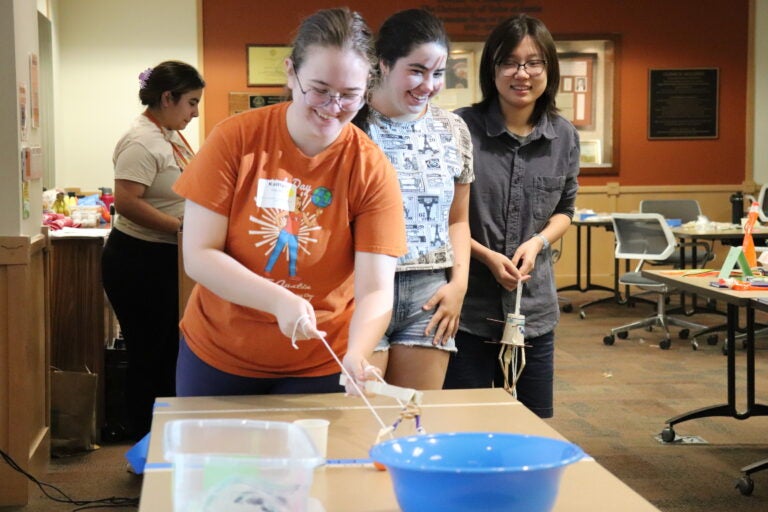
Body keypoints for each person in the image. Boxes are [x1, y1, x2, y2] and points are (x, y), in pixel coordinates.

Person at [172, 7, 407, 397]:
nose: (333, 107)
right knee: (218, 460)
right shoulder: (235, 140)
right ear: (289, 72)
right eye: (319, 90)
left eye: (350, 95)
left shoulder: (370, 166)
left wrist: (358, 353)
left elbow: (376, 288)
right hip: (220, 352)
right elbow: (199, 254)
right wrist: (279, 300)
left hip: (320, 359)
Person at [442, 14, 580, 419]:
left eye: (534, 62)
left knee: (533, 426)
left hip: (532, 311)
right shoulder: (459, 128)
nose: (522, 73)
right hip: (467, 310)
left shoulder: (563, 135)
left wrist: (538, 243)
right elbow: (442, 219)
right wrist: (486, 255)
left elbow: (565, 210)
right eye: (510, 62)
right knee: (462, 423)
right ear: (493, 69)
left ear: (548, 69)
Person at [353, 9, 473, 390]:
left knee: (415, 420)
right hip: (359, 284)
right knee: (362, 420)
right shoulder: (351, 124)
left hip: (429, 290)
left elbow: (458, 220)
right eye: (417, 70)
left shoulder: (452, 128)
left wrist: (459, 286)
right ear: (384, 64)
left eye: (438, 74)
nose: (428, 85)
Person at [102, 60, 205, 439]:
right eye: (191, 103)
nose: (194, 112)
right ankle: (144, 441)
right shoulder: (141, 141)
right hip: (138, 259)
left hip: (165, 257)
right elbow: (127, 202)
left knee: (167, 353)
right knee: (150, 353)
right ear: (167, 97)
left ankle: (165, 439)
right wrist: (181, 228)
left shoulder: (168, 134)